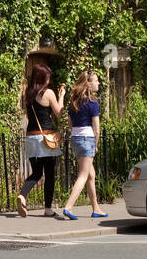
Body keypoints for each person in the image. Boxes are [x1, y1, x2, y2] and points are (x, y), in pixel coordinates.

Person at [17, 63, 65, 219]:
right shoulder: (49, 93)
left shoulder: (28, 94)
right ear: (43, 78)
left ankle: (23, 195)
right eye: (48, 77)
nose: (49, 80)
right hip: (45, 137)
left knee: (36, 172)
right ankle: (48, 208)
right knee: (50, 173)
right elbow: (59, 113)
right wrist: (62, 96)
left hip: (31, 136)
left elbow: (27, 114)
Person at [60, 70, 107, 220]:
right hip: (87, 139)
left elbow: (70, 124)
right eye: (96, 80)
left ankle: (96, 208)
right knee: (83, 175)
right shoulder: (93, 103)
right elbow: (97, 129)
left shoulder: (74, 102)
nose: (98, 83)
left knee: (91, 175)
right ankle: (68, 207)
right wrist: (96, 144)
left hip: (76, 139)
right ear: (88, 83)